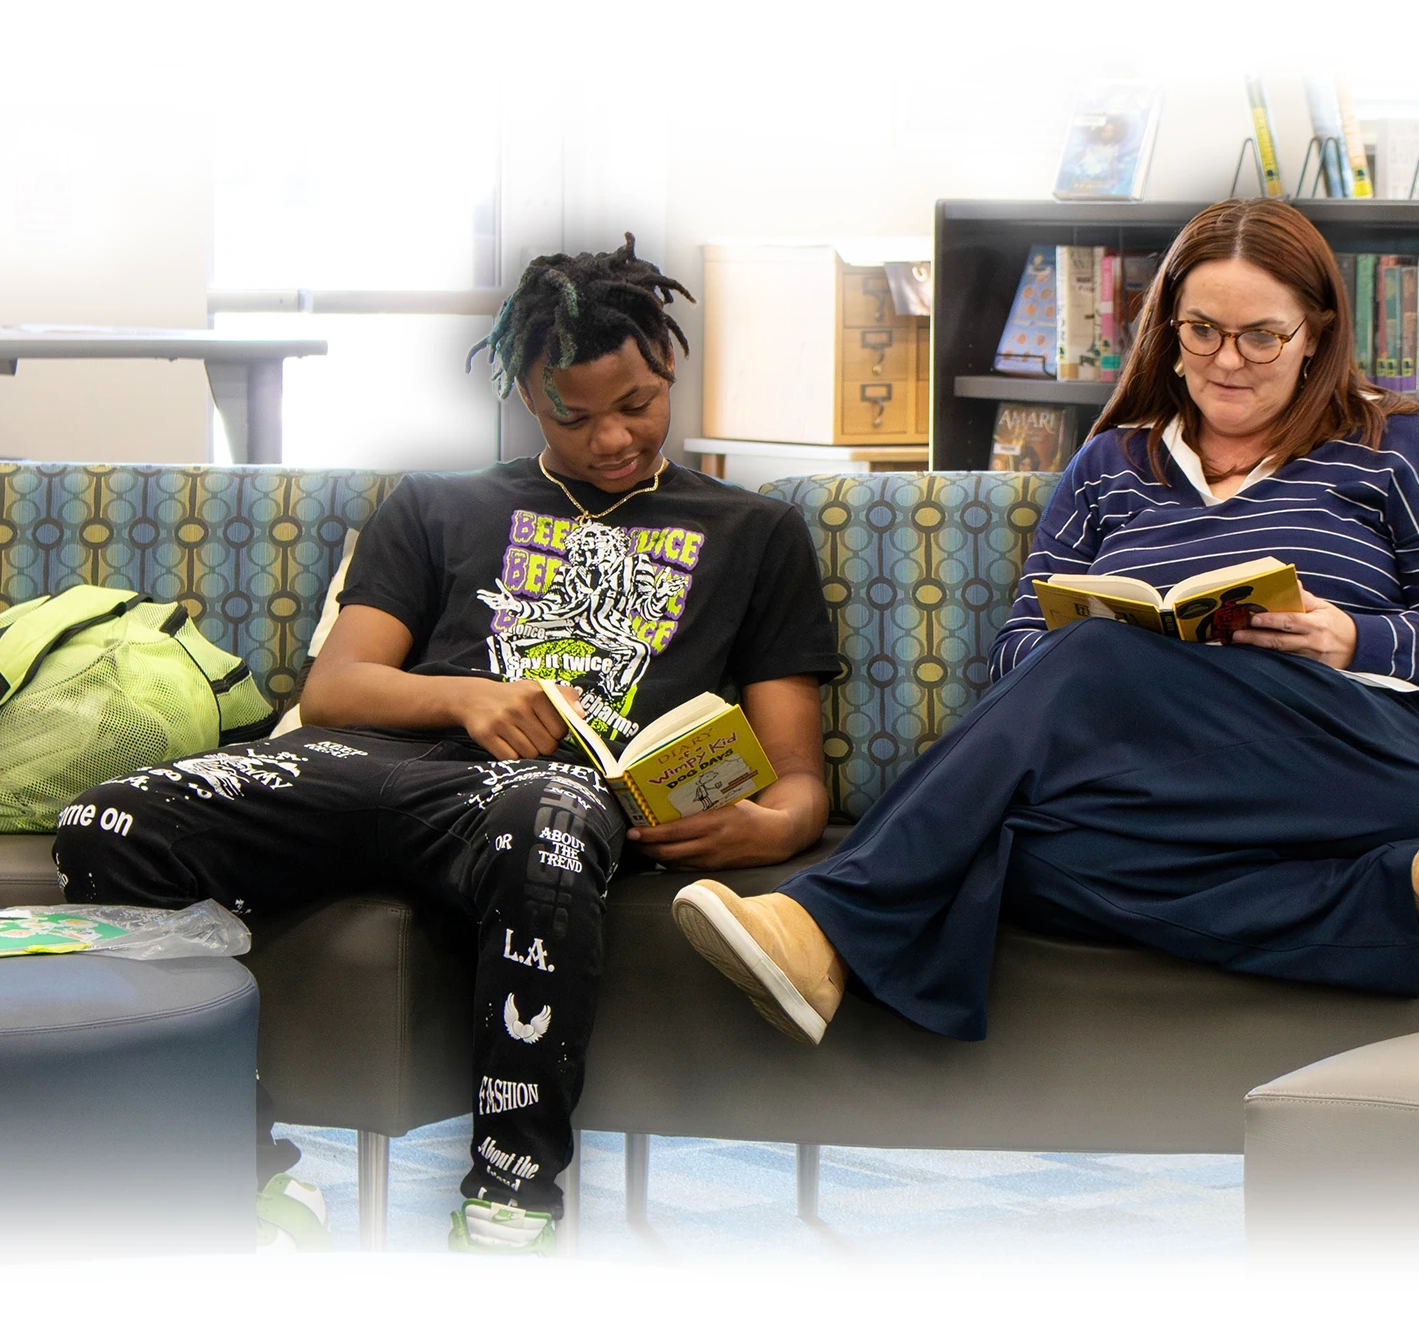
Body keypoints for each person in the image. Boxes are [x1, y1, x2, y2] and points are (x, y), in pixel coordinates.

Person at [52, 235, 840, 1253]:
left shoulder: (753, 533)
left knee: (546, 818)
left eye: (637, 404)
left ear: (671, 369)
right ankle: (238, 1171)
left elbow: (797, 780)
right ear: (524, 395)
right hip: (379, 768)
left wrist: (766, 829)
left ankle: (509, 1208)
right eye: (575, 413)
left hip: (554, 795)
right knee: (106, 823)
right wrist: (468, 697)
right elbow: (335, 689)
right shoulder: (437, 505)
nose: (612, 438)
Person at [672, 198, 1419, 1046]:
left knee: (1048, 730)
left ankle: (823, 920)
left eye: (1261, 334)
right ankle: (1385, 890)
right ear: (1169, 328)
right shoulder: (1111, 463)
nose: (1228, 360)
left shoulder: (1389, 446)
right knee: (1012, 845)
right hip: (1166, 774)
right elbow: (1020, 654)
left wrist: (1353, 636)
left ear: (1314, 335)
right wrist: (1117, 655)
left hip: (1359, 756)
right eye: (1202, 330)